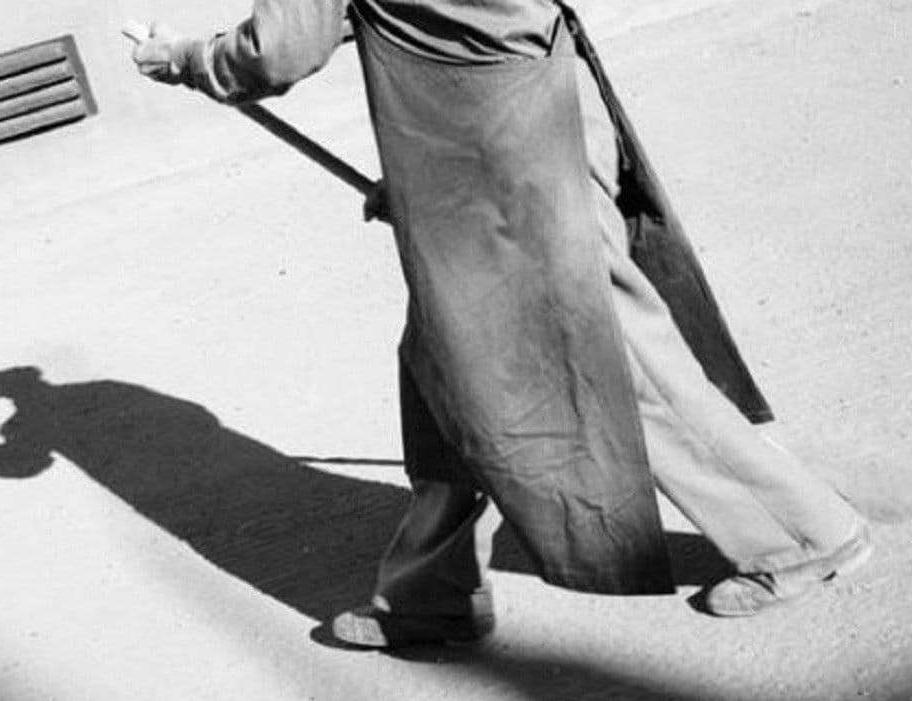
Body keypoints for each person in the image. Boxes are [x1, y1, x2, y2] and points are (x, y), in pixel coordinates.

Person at [125, 0, 872, 646]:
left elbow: (280, 50)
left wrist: (186, 59)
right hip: (503, 125)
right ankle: (431, 592)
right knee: (444, 366)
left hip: (508, 148)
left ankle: (802, 534)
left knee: (612, 359)